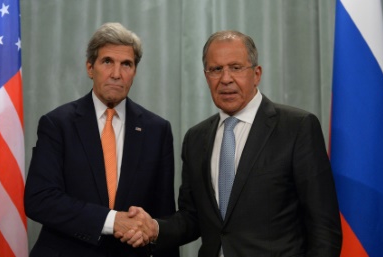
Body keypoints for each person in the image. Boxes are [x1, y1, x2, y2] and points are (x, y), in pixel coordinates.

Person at [119, 30, 342, 256]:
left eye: (236, 67)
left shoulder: (297, 128)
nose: (226, 79)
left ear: (256, 74)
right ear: (207, 76)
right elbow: (193, 218)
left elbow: (324, 228)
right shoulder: (196, 138)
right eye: (216, 69)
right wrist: (154, 228)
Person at [24, 22, 179, 257]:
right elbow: (40, 199)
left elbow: (163, 217)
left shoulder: (157, 129)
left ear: (134, 71)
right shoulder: (57, 124)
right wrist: (112, 221)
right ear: (90, 67)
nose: (116, 74)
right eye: (107, 62)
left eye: (126, 64)